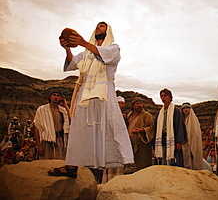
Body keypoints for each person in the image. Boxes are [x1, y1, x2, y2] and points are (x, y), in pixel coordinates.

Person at [48, 22, 135, 179]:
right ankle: (71, 166)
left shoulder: (113, 48)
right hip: (86, 91)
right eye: (97, 26)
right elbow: (73, 63)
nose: (98, 28)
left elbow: (105, 55)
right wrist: (67, 49)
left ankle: (127, 160)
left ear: (108, 31)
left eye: (102, 26)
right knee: (79, 126)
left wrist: (82, 42)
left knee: (112, 122)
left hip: (104, 90)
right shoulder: (86, 53)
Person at [153, 88, 187, 167]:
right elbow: (156, 128)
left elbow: (180, 126)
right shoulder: (159, 113)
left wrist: (179, 142)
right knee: (162, 161)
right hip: (162, 140)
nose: (163, 98)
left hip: (173, 140)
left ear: (170, 97)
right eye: (161, 96)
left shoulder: (176, 111)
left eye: (165, 95)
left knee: (174, 161)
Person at [33, 90, 70, 160]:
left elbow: (71, 121)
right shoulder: (42, 109)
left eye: (58, 95)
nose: (56, 97)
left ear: (61, 98)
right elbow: (37, 127)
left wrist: (66, 106)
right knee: (45, 163)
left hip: (60, 140)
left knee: (59, 162)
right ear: (50, 97)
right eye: (54, 95)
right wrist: (39, 145)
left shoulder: (63, 111)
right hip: (47, 140)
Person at [126, 97, 154, 170]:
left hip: (142, 144)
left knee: (143, 164)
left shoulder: (147, 115)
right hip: (130, 143)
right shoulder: (129, 115)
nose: (139, 105)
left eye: (141, 103)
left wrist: (141, 130)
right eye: (137, 103)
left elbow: (151, 127)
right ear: (133, 105)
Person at [181, 102, 203, 170]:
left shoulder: (194, 120)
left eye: (187, 108)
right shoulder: (182, 119)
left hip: (193, 142)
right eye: (184, 108)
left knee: (194, 158)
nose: (185, 110)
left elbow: (195, 133)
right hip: (185, 143)